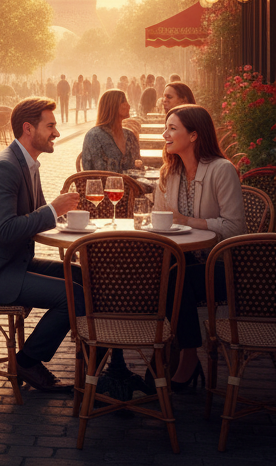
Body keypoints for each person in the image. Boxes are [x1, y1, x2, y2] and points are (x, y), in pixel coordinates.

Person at [0, 97, 82, 393]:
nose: (57, 132)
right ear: (29, 128)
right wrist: (53, 210)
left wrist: (62, 215)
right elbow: (6, 229)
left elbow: (35, 214)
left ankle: (92, 357)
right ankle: (27, 361)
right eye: (50, 125)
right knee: (73, 296)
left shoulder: (27, 163)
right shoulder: (5, 167)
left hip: (10, 262)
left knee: (81, 276)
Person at [156, 105, 245, 388]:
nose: (164, 134)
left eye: (172, 128)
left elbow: (235, 228)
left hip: (225, 268)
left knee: (173, 278)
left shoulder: (222, 170)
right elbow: (160, 221)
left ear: (193, 135)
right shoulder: (169, 172)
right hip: (187, 262)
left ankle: (189, 356)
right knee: (161, 274)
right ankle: (144, 350)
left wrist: (189, 221)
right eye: (166, 127)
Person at [81, 89, 141, 173]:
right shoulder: (94, 136)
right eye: (124, 101)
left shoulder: (130, 136)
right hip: (104, 185)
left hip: (132, 185)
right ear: (113, 106)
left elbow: (139, 167)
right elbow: (89, 173)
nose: (128, 105)